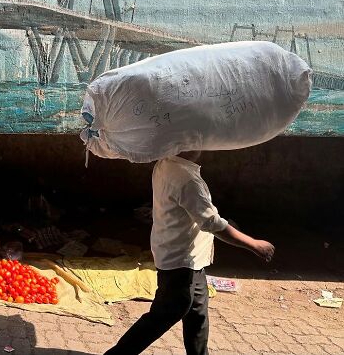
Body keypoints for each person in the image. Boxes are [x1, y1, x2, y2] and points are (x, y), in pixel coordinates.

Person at [105, 151, 275, 355]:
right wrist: (254, 244)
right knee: (165, 314)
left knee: (197, 316)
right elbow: (212, 223)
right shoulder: (186, 180)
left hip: (190, 258)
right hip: (181, 261)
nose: (203, 147)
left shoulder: (166, 163)